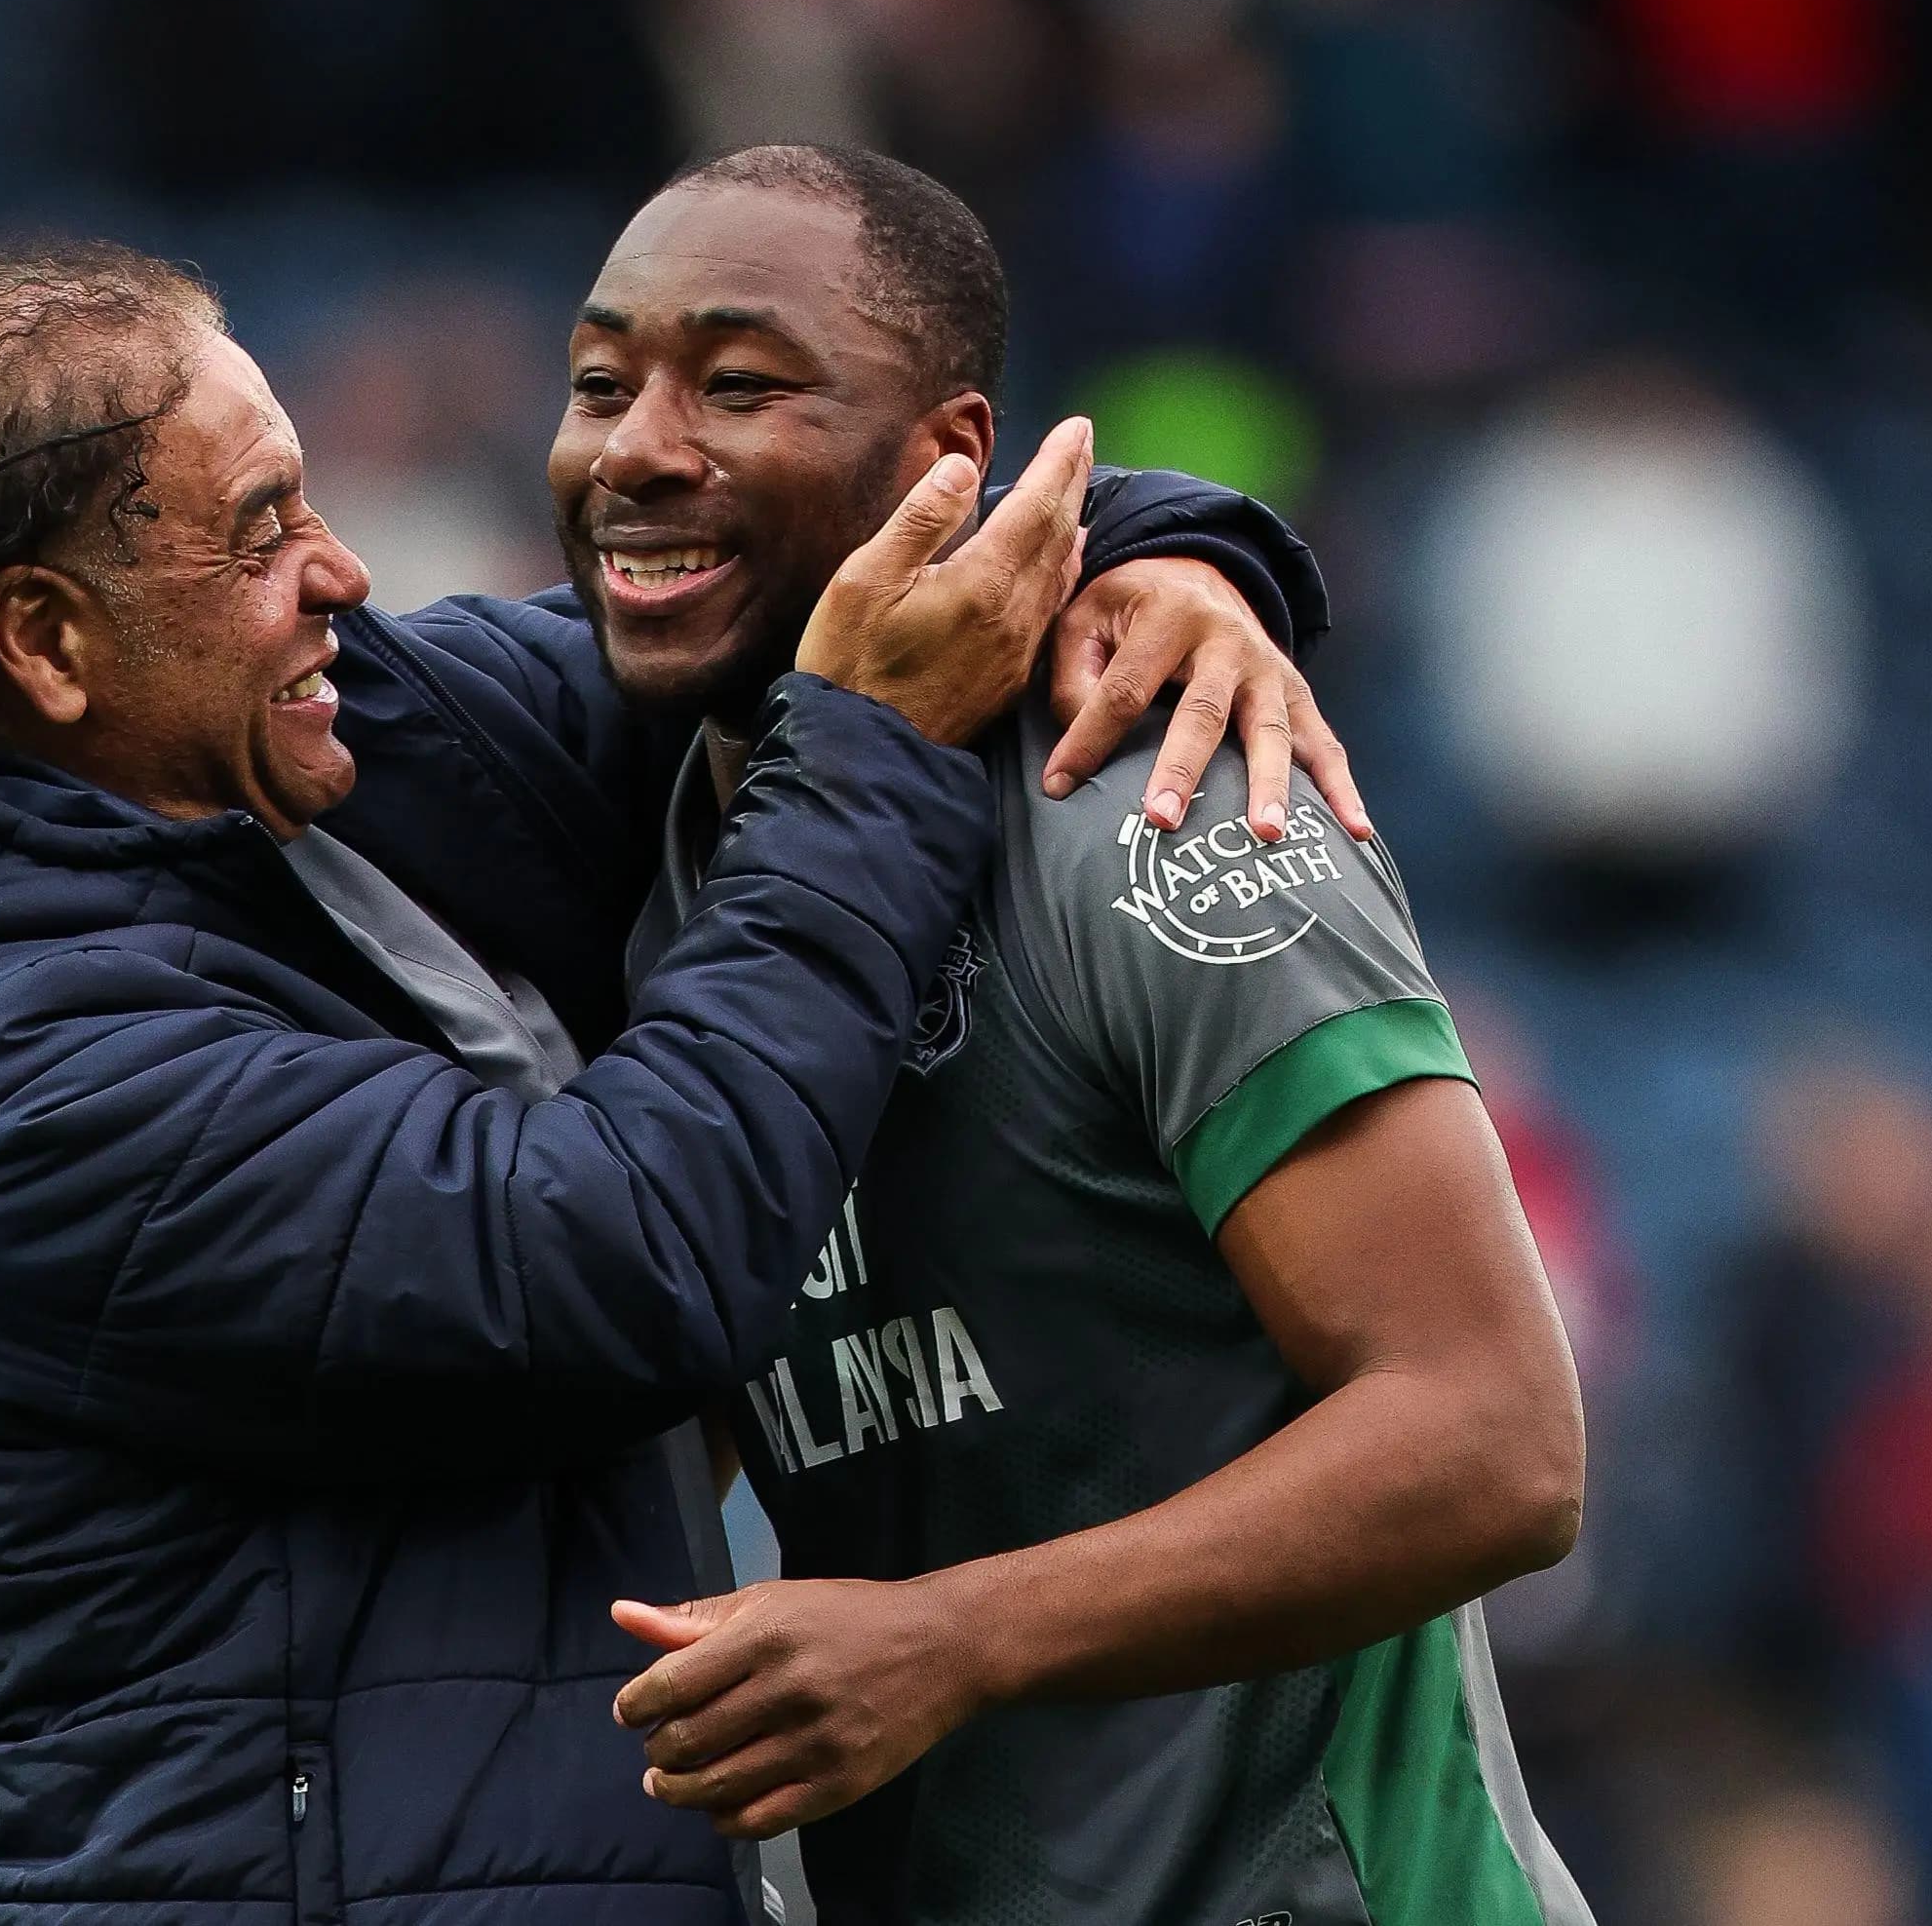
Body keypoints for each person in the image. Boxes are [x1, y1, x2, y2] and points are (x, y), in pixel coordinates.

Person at [0, 239, 1334, 1922]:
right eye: (261, 528)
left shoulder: (270, 749)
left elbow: (757, 613)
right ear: (45, 639)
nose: (341, 573)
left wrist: (1156, 561)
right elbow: (622, 1254)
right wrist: (871, 757)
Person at [586, 147, 1594, 1925]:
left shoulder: (1162, 806)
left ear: (946, 465)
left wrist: (947, 1642)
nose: (639, 445)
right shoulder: (653, 905)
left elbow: (1494, 1439)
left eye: (739, 384)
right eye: (601, 383)